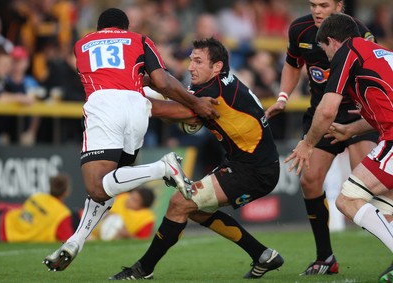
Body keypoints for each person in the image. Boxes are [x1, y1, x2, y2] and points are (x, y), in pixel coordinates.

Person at [42, 8, 219, 272]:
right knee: (110, 183)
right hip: (138, 108)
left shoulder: (81, 44)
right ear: (125, 28)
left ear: (99, 27)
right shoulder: (139, 39)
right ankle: (75, 241)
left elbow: (107, 77)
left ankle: (162, 168)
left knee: (97, 186)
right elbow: (161, 81)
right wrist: (195, 105)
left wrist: (192, 106)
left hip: (104, 103)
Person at [107, 37, 284, 280]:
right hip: (245, 163)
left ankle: (143, 269)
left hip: (254, 170)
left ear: (217, 66)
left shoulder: (214, 92)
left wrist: (127, 99)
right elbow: (179, 95)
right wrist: (150, 83)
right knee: (196, 210)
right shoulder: (218, 84)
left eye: (198, 61)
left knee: (180, 203)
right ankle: (263, 255)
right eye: (191, 60)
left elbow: (169, 111)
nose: (191, 67)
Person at [265, 0, 379, 275]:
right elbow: (293, 64)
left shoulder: (359, 31)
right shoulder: (299, 29)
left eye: (324, 4)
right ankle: (325, 257)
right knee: (310, 181)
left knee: (369, 188)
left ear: (339, 6)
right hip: (321, 116)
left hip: (355, 113)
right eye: (313, 4)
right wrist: (283, 97)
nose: (317, 10)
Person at [285, 13, 393, 283]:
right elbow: (378, 110)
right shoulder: (379, 52)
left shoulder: (348, 50)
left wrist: (307, 144)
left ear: (332, 41)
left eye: (324, 49)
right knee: (384, 206)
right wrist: (349, 130)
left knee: (347, 200)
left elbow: (326, 110)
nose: (326, 56)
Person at [0, 172, 78, 242]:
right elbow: (68, 241)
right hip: (8, 235)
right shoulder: (62, 214)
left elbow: (23, 210)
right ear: (66, 192)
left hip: (2, 218)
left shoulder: (37, 196)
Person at [91, 187, 156, 240]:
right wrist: (105, 214)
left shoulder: (146, 219)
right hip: (91, 229)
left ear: (142, 207)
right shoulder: (121, 196)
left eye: (134, 200)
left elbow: (142, 242)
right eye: (131, 196)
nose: (129, 200)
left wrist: (127, 235)